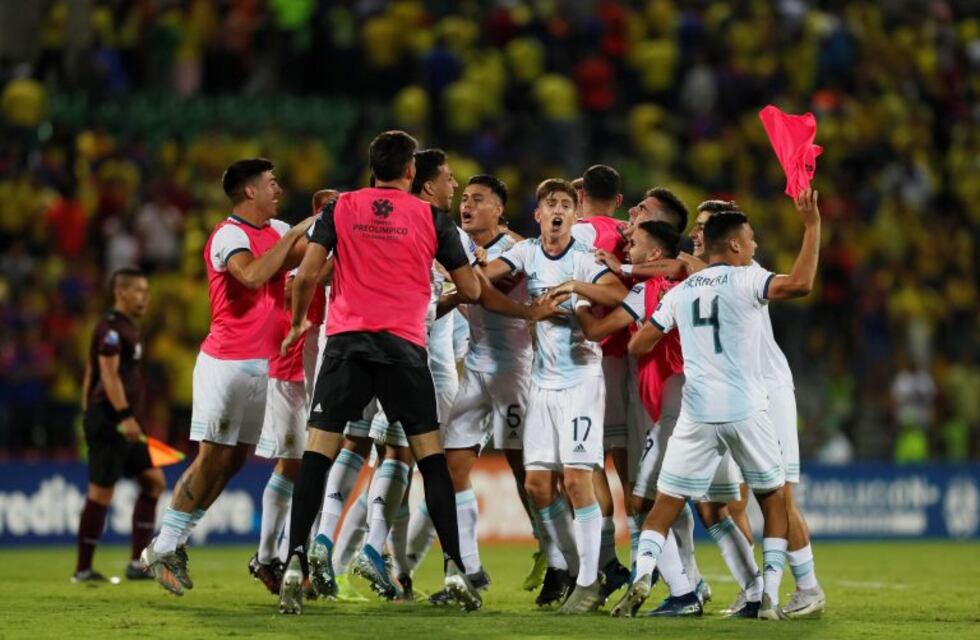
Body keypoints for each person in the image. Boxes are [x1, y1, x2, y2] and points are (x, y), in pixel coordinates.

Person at [278, 130, 483, 615]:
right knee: (430, 460)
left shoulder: (342, 207)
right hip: (404, 348)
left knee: (318, 456)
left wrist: (296, 324)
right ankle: (455, 569)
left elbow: (307, 273)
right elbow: (471, 288)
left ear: (373, 168)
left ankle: (294, 564)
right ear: (411, 171)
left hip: (347, 344)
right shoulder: (433, 218)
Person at [612, 189, 821, 621]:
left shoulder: (695, 285)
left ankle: (644, 579)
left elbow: (639, 343)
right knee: (750, 500)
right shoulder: (744, 277)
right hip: (746, 404)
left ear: (719, 239)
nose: (694, 234)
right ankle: (764, 594)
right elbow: (799, 284)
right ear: (737, 243)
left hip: (720, 404)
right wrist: (813, 225)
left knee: (675, 502)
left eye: (702, 227)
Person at [141, 158, 313, 596]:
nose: (279, 188)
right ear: (249, 191)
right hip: (227, 364)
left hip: (265, 366)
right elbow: (253, 275)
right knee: (211, 457)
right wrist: (294, 233)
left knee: (234, 461)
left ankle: (173, 543)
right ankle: (162, 546)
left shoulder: (276, 228)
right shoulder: (228, 234)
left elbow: (312, 260)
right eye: (271, 182)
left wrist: (331, 224)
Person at [481, 178, 628, 613]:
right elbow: (478, 282)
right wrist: (527, 310)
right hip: (542, 384)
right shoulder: (526, 253)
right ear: (539, 215)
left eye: (566, 203)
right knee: (537, 484)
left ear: (575, 216)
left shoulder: (583, 259)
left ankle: (587, 581)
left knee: (579, 479)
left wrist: (578, 288)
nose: (559, 210)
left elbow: (619, 293)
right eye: (551, 204)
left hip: (581, 381)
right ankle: (566, 565)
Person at [74, 268, 163, 583]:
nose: (145, 297)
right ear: (121, 292)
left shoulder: (126, 329)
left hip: (125, 422)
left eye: (146, 291)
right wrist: (122, 415)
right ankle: (83, 570)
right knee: (100, 494)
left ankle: (137, 564)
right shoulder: (110, 328)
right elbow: (106, 374)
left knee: (154, 481)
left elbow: (91, 373)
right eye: (139, 290)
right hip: (111, 420)